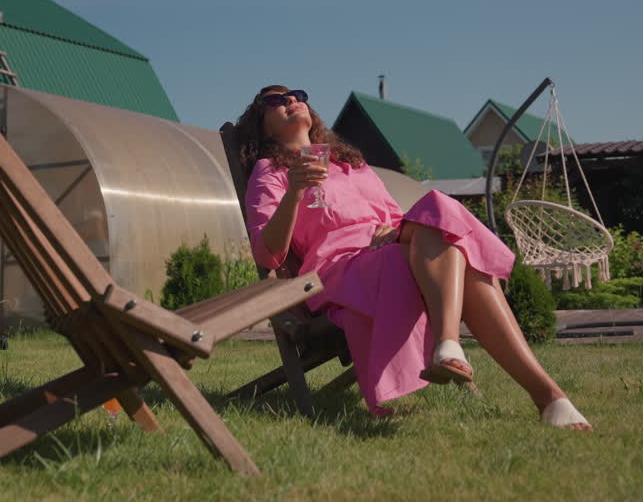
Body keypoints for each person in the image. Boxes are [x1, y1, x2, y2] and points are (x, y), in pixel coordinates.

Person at [236, 85, 592, 430]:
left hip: (387, 248)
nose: (291, 100)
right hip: (339, 269)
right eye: (276, 99)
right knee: (458, 252)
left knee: (438, 214)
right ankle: (543, 394)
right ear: (261, 123)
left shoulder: (351, 165)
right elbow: (268, 254)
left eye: (297, 95)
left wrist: (393, 231)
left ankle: (461, 353)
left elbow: (393, 215)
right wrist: (295, 191)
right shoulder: (271, 173)